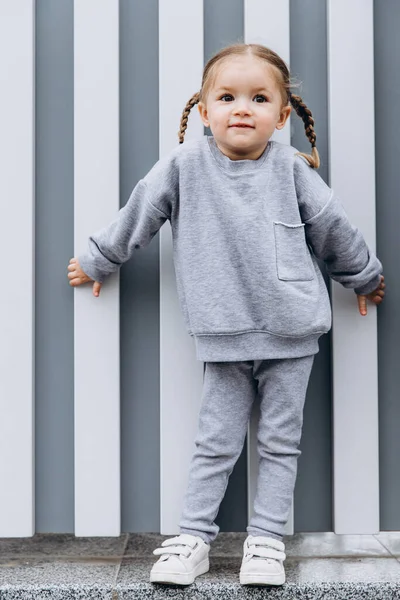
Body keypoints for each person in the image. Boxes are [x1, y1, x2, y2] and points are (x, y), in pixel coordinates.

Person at [67, 43, 385, 587]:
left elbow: (335, 229)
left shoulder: (291, 170)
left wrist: (364, 277)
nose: (242, 108)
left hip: (292, 330)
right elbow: (138, 213)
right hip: (223, 330)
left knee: (280, 442)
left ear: (282, 116)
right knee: (216, 440)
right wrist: (100, 258)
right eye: (228, 97)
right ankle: (192, 538)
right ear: (204, 109)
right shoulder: (184, 166)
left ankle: (264, 542)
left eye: (259, 98)